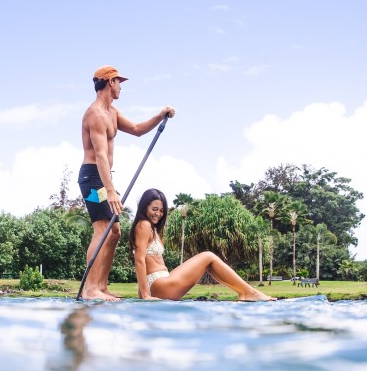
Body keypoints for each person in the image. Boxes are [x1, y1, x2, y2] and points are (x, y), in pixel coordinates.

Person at [78, 66, 175, 301]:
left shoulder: (112, 112)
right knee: (103, 230)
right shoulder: (96, 114)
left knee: (114, 232)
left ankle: (101, 286)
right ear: (110, 82)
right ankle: (90, 288)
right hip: (92, 179)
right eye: (119, 82)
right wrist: (110, 190)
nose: (121, 87)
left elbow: (137, 130)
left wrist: (159, 116)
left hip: (103, 178)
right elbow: (100, 155)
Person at [130, 188, 276, 301]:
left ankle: (246, 292)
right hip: (159, 285)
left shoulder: (151, 228)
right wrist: (145, 295)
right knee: (208, 257)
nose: (158, 214)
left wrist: (143, 294)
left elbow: (149, 261)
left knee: (208, 260)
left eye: (161, 210)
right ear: (144, 208)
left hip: (161, 282)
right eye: (154, 209)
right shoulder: (143, 225)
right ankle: (248, 292)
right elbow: (139, 260)